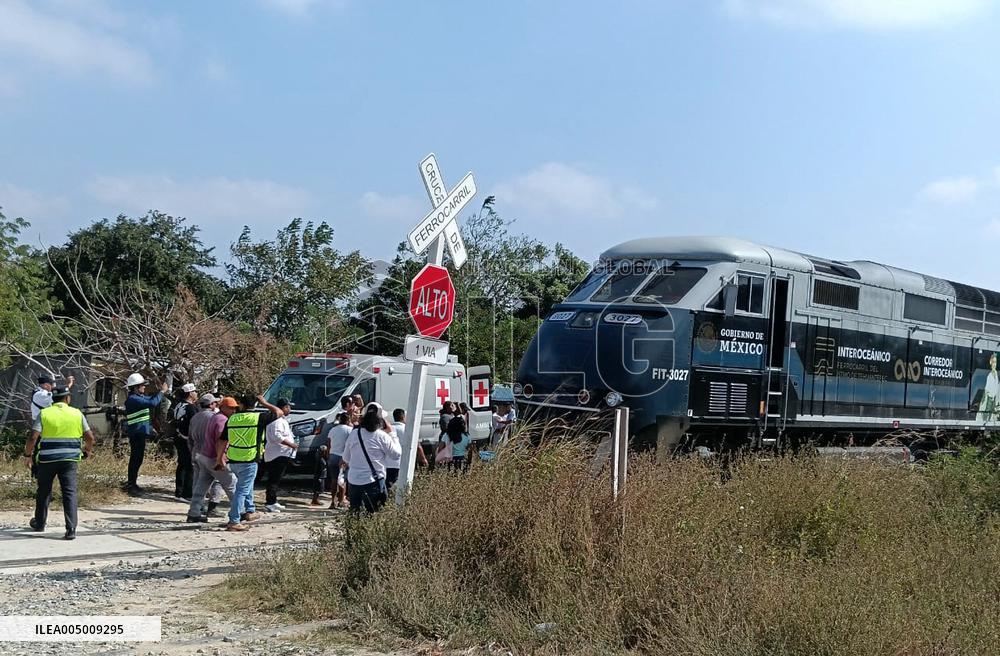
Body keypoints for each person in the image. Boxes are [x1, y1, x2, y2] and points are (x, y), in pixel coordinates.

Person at [23, 386, 94, 540]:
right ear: (67, 398)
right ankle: (71, 529)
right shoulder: (77, 413)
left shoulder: (44, 413)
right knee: (69, 493)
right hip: (69, 460)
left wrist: (28, 455)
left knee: (44, 491)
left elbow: (33, 437)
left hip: (47, 460)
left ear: (53, 400)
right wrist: (87, 451)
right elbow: (89, 437)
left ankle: (40, 523)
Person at [224, 394, 284, 530]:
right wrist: (265, 402)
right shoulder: (259, 417)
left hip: (233, 458)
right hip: (250, 458)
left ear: (241, 405)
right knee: (242, 490)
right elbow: (279, 412)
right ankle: (234, 520)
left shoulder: (232, 418)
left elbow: (222, 439)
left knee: (247, 485)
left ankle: (250, 510)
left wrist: (218, 458)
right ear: (255, 405)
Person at [186, 395, 239, 526]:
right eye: (231, 408)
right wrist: (221, 459)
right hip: (214, 457)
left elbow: (190, 438)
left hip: (201, 454)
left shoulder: (199, 417)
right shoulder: (221, 419)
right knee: (232, 485)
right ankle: (240, 513)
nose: (234, 411)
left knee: (200, 486)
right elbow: (220, 441)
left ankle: (194, 513)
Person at [341, 403, 401, 513]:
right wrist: (392, 434)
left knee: (355, 515)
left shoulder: (354, 434)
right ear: (380, 420)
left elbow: (346, 458)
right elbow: (396, 455)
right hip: (374, 482)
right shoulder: (382, 436)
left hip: (354, 481)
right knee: (374, 515)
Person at [123, 373, 168, 496]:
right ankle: (131, 485)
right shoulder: (133, 399)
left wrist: (159, 393)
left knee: (137, 459)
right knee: (135, 459)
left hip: (140, 433)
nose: (144, 388)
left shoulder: (138, 398)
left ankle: (133, 483)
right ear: (136, 387)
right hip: (136, 433)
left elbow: (151, 400)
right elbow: (152, 403)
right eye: (142, 386)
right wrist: (162, 392)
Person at [187, 393, 224, 518]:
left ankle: (198, 507)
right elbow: (218, 437)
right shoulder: (214, 418)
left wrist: (192, 451)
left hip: (196, 452)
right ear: (211, 404)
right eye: (215, 402)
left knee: (198, 481)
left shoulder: (195, 417)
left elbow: (190, 438)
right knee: (217, 481)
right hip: (210, 453)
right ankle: (212, 507)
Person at [263, 398, 298, 512]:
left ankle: (273, 501)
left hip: (282, 453)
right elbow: (277, 437)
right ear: (282, 408)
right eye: (288, 407)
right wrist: (291, 444)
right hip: (277, 454)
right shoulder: (276, 421)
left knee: (276, 479)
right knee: (273, 479)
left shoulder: (282, 420)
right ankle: (270, 502)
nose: (290, 409)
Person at [172, 383, 199, 501]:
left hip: (178, 437)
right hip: (187, 439)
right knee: (189, 465)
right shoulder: (190, 407)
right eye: (195, 391)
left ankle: (179, 491)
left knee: (182, 464)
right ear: (190, 394)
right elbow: (195, 423)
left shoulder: (178, 405)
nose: (196, 394)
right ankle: (187, 493)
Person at [326, 412, 352, 509]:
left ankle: (333, 501)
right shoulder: (350, 430)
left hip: (333, 455)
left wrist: (328, 454)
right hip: (343, 457)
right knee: (342, 480)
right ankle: (341, 501)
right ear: (348, 420)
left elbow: (328, 443)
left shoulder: (332, 430)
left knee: (333, 480)